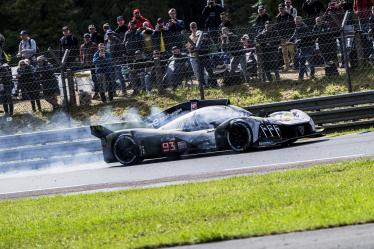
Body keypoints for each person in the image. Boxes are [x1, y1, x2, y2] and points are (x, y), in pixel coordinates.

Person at [290, 16, 316, 80]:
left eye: (298, 21)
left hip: (308, 47)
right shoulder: (297, 28)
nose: (297, 22)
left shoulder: (304, 27)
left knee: (310, 62)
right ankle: (300, 77)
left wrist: (296, 41)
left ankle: (311, 75)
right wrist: (289, 41)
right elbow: (294, 35)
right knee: (301, 63)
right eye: (296, 21)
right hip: (301, 48)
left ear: (301, 21)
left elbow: (303, 38)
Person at [105, 30, 126, 95]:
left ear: (112, 34)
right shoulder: (105, 41)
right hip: (109, 61)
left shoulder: (117, 40)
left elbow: (121, 50)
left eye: (110, 34)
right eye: (108, 34)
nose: (109, 35)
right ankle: (114, 92)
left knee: (119, 75)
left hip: (117, 60)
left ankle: (124, 91)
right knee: (112, 77)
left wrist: (119, 59)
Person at [276, 3, 296, 71]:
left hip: (290, 37)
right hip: (282, 38)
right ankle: (287, 66)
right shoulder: (278, 17)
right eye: (280, 8)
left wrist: (292, 37)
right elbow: (277, 28)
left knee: (292, 52)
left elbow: (294, 27)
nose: (281, 10)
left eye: (282, 8)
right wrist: (280, 37)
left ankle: (294, 65)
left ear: (285, 8)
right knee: (284, 53)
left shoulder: (289, 16)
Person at [80, 33, 99, 99]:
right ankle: (88, 94)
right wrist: (82, 62)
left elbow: (96, 54)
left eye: (88, 37)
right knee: (87, 81)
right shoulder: (82, 46)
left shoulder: (94, 45)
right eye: (85, 37)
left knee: (94, 79)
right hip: (85, 66)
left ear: (90, 38)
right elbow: (81, 55)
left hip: (93, 65)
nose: (87, 39)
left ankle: (96, 93)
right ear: (84, 38)